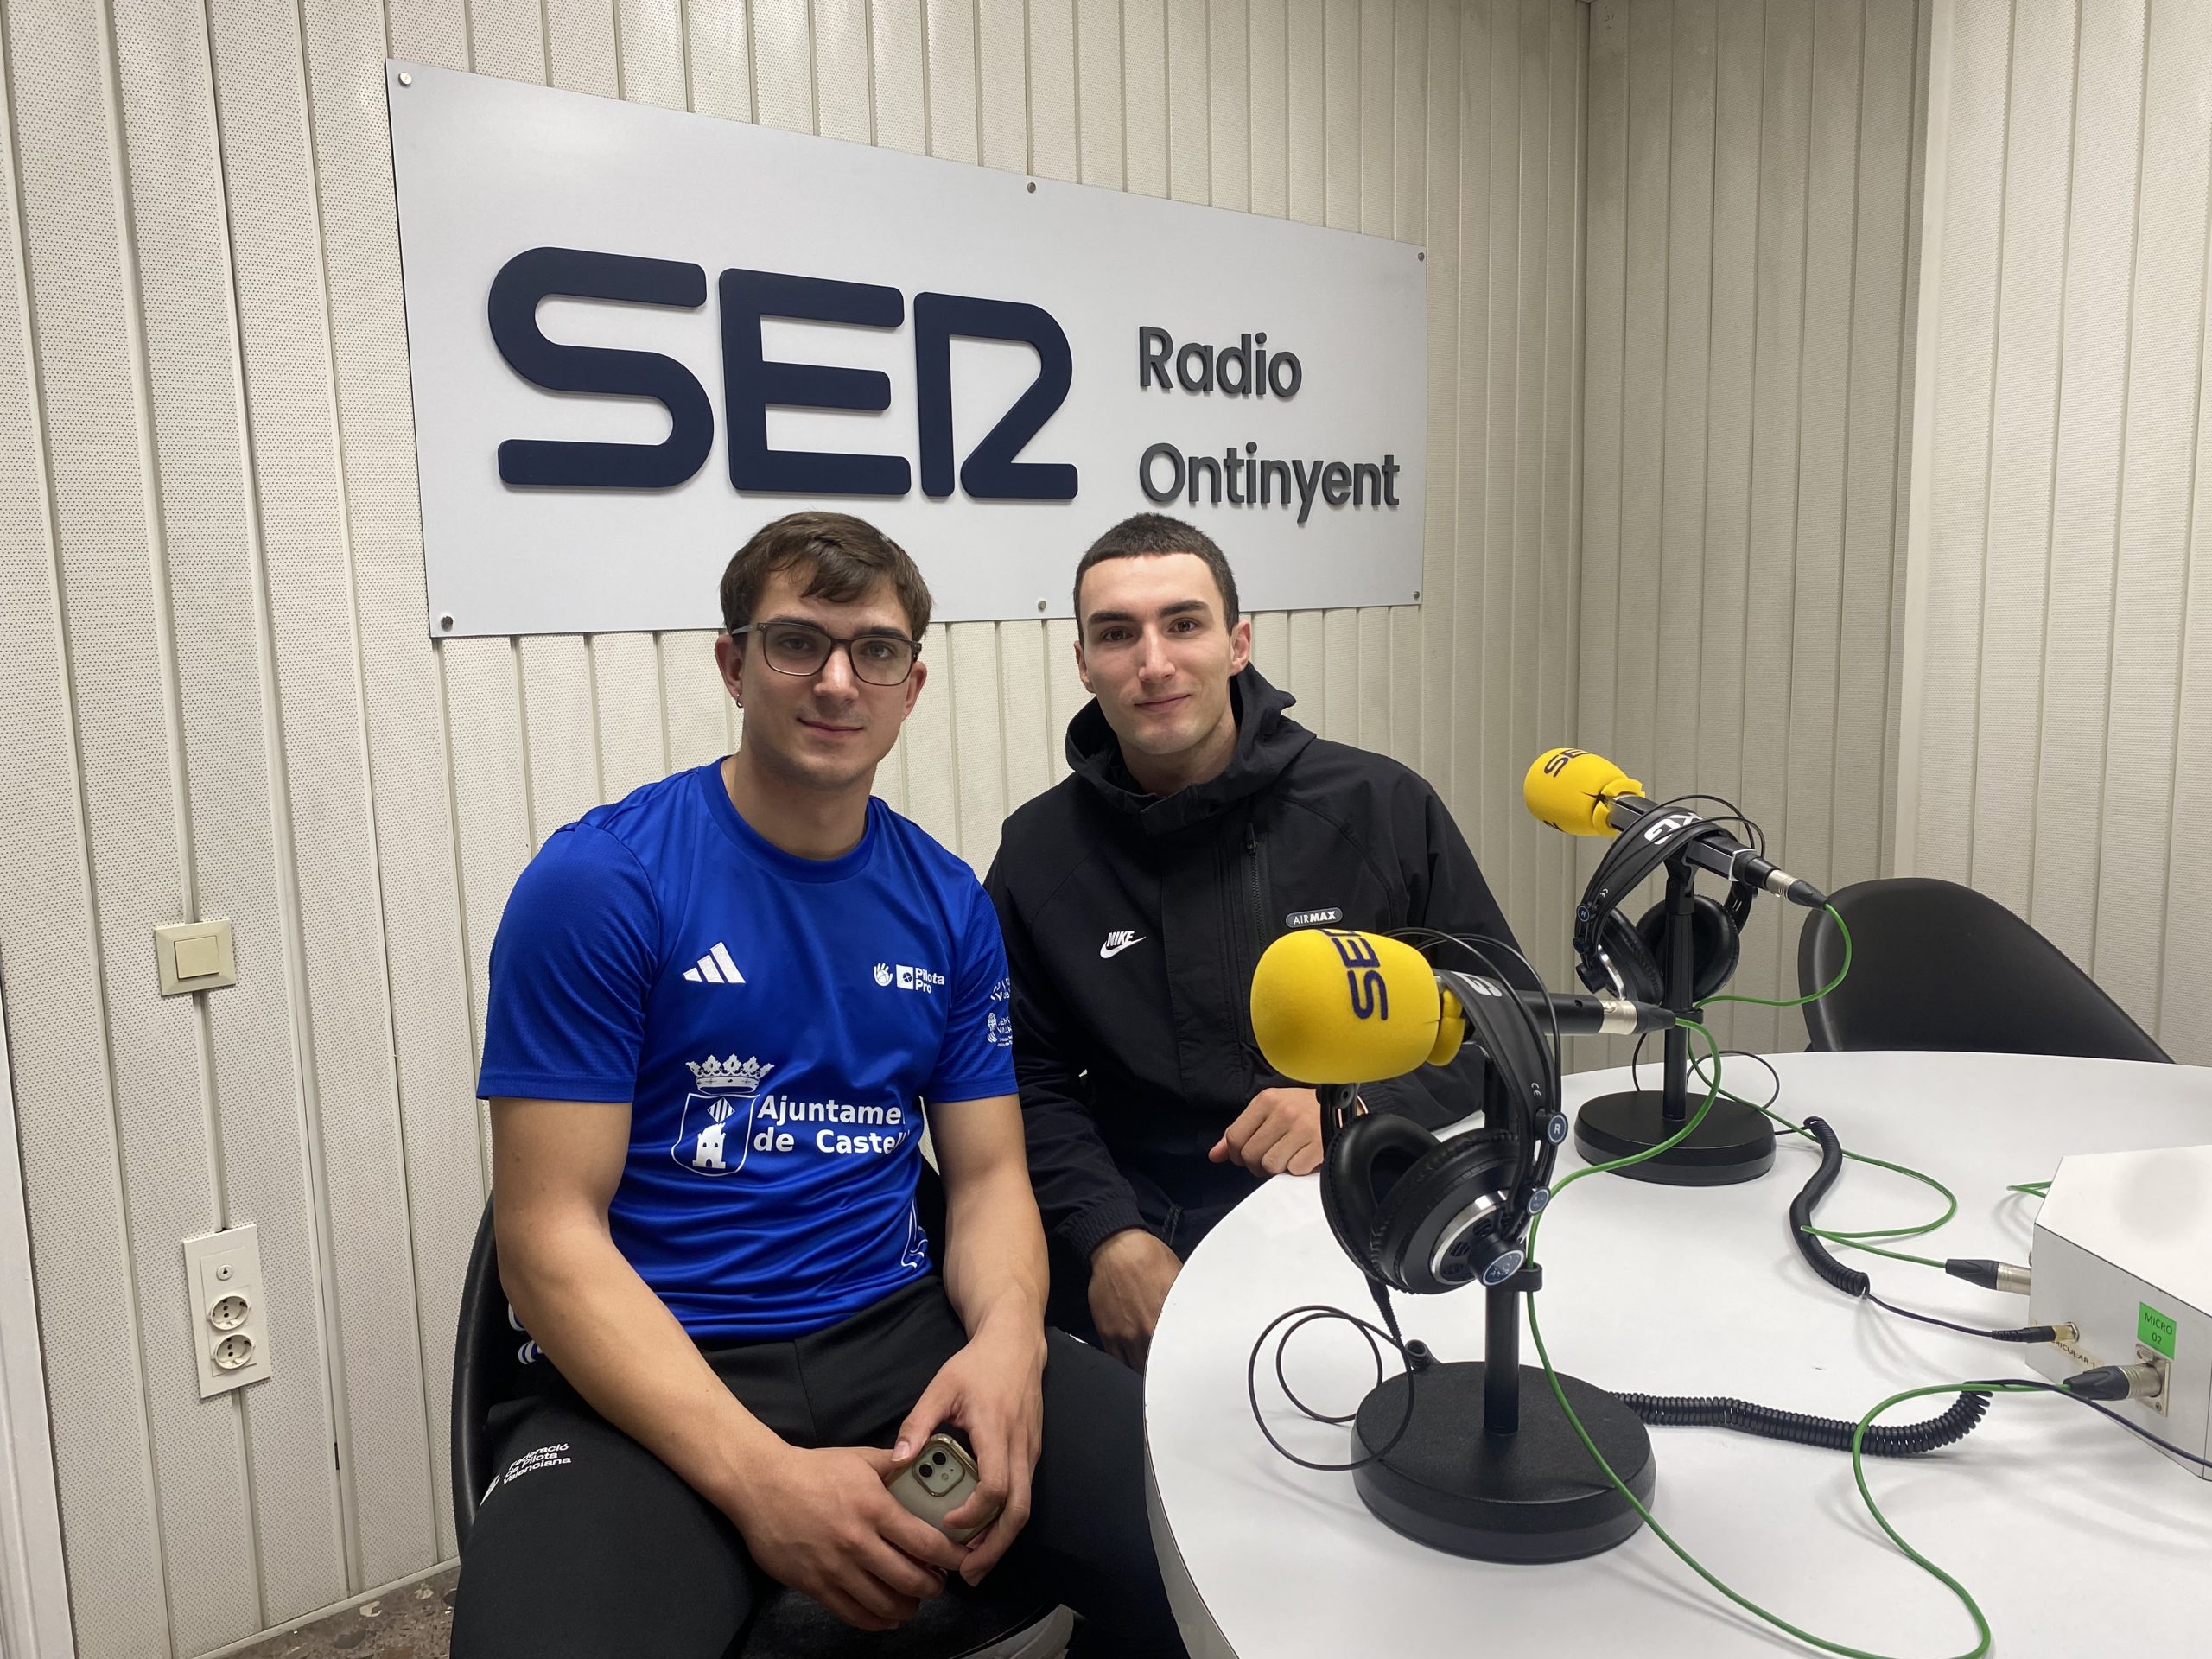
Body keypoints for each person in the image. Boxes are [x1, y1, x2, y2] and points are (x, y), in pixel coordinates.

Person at [451, 512, 1185, 1658]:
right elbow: (546, 1239)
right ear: (733, 664)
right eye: (798, 642)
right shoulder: (600, 884)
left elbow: (989, 1179)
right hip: (650, 1370)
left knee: (1218, 1546)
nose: (838, 682)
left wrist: (1006, 1346)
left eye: (875, 650)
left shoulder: (945, 901)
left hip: (898, 1339)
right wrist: (760, 1479)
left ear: (911, 685)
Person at [987, 513, 1521, 1371]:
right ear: (1084, 664)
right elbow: (1023, 1077)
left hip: (1368, 1220)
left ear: (1237, 644)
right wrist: (1106, 1236)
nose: (1154, 662)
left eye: (1183, 624)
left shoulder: (1378, 807)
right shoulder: (1038, 854)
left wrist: (1357, 1102)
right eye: (1117, 635)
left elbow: (1502, 1015)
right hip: (1149, 1249)